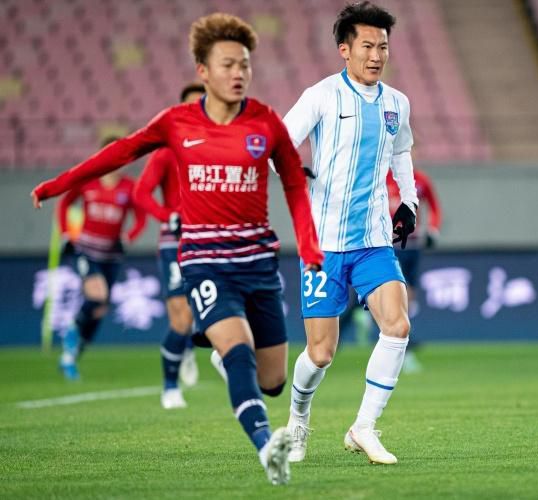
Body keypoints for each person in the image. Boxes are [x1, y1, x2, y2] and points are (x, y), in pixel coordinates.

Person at [32, 12, 323, 486]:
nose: (238, 73)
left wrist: (309, 246)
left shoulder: (266, 122)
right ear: (202, 72)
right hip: (205, 263)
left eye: (245, 65)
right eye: (228, 64)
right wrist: (58, 186)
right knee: (240, 353)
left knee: (273, 382)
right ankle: (267, 445)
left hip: (259, 264)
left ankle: (223, 356)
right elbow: (119, 153)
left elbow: (293, 184)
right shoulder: (176, 123)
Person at [282, 1, 418, 465]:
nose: (377, 54)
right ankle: (298, 420)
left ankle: (364, 427)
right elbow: (283, 139)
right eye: (367, 45)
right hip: (322, 246)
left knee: (397, 326)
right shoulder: (321, 95)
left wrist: (410, 203)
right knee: (320, 353)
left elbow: (402, 154)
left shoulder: (397, 103)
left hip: (373, 238)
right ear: (344, 49)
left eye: (383, 46)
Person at [133, 82, 205, 410]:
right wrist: (168, 215)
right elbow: (141, 193)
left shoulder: (215, 149)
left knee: (213, 314)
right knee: (181, 318)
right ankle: (170, 387)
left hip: (209, 239)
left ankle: (191, 345)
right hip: (175, 241)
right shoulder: (165, 152)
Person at [55, 136, 147, 381]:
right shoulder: (87, 181)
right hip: (86, 250)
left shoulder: (129, 187)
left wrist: (128, 237)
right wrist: (66, 233)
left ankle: (72, 355)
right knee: (97, 295)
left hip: (112, 255)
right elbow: (64, 204)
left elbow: (141, 218)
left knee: (100, 308)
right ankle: (72, 331)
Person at [386, 167, 442, 373]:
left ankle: (401, 344)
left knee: (409, 296)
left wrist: (433, 229)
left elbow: (435, 207)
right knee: (399, 294)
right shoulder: (382, 178)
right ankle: (400, 348)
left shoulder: (421, 180)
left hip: (414, 246)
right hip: (391, 246)